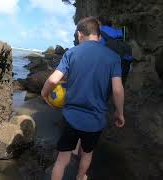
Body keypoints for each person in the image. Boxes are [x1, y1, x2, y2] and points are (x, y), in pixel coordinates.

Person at [41, 17, 125, 180]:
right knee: (87, 154)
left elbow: (53, 80)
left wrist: (44, 94)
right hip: (95, 120)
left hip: (71, 117)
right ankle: (80, 177)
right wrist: (119, 112)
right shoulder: (114, 58)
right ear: (99, 37)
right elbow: (117, 89)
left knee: (61, 160)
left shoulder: (71, 53)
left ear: (80, 35)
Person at [97, 16, 133, 84]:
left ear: (99, 23)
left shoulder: (100, 33)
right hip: (126, 60)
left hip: (112, 63)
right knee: (120, 85)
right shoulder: (119, 32)